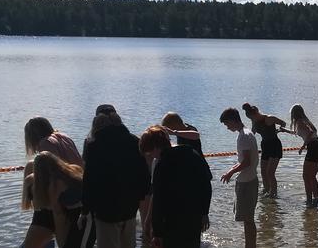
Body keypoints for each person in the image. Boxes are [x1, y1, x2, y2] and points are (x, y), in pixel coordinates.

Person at [81, 104, 149, 248]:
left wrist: (85, 209)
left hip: (106, 209)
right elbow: (144, 172)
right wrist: (141, 196)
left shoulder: (93, 145)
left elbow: (89, 179)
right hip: (130, 205)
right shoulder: (134, 141)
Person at [139, 126, 212, 248]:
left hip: (171, 222)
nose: (152, 156)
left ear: (156, 147)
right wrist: (204, 213)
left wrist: (156, 232)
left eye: (151, 152)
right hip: (193, 217)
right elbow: (206, 185)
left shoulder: (162, 165)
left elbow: (158, 200)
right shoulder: (192, 154)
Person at [21, 117, 84, 248]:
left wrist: (30, 180)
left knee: (30, 168)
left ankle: (45, 236)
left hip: (62, 197)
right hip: (78, 190)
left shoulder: (45, 143)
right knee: (31, 166)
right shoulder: (63, 136)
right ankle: (47, 240)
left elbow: (52, 172)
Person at [29, 151, 95, 248]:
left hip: (87, 214)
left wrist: (61, 244)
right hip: (89, 209)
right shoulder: (73, 169)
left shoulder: (55, 184)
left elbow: (59, 215)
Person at [219, 107, 259, 248]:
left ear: (232, 120)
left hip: (247, 182)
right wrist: (231, 170)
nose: (227, 127)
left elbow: (246, 162)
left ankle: (250, 246)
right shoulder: (246, 133)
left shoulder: (243, 136)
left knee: (248, 220)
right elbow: (243, 160)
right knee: (248, 219)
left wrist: (230, 173)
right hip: (250, 179)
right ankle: (250, 245)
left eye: (226, 124)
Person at [280, 104, 318, 207]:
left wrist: (303, 146)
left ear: (294, 114)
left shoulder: (300, 122)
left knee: (306, 176)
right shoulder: (305, 121)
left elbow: (310, 132)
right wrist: (285, 130)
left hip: (313, 146)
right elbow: (300, 132)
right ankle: (315, 198)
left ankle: (309, 200)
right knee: (312, 176)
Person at [243, 103, 286, 199]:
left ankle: (273, 195)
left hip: (275, 145)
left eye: (251, 118)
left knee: (270, 172)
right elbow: (252, 134)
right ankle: (266, 190)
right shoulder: (254, 121)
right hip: (265, 146)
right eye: (250, 119)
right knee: (263, 171)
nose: (251, 120)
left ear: (256, 114)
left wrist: (279, 129)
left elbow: (283, 123)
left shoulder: (269, 118)